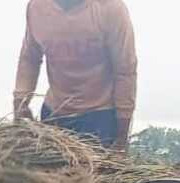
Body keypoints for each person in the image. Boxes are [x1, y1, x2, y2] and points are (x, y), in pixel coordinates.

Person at [12, 0, 138, 150]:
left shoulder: (110, 8)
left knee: (94, 172)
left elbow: (125, 70)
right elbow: (29, 58)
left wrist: (122, 135)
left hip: (99, 118)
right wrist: (20, 100)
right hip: (54, 115)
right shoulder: (37, 7)